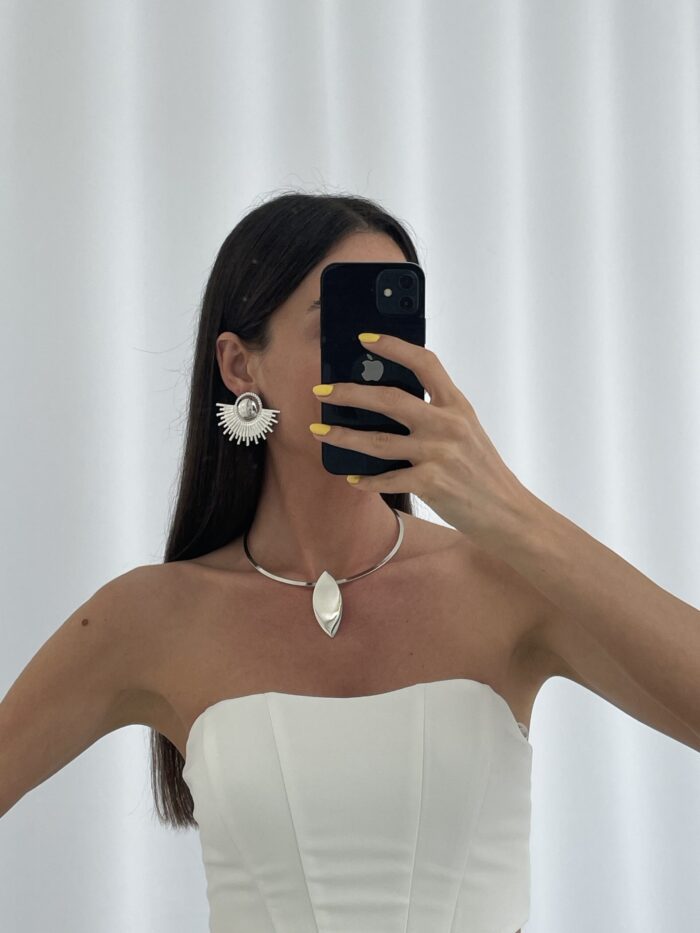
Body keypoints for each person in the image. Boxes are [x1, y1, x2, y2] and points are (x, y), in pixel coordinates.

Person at [1, 192, 535, 933]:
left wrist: (508, 510)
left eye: (396, 328)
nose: (377, 359)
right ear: (239, 365)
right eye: (343, 325)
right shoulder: (152, 617)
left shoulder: (507, 580)